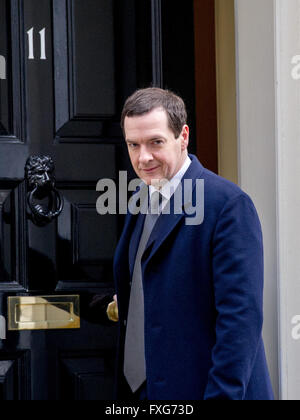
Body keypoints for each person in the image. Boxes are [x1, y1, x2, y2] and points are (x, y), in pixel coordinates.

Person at [110, 87, 274, 400]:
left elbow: (240, 319)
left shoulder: (227, 204)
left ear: (183, 136)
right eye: (133, 144)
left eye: (155, 142)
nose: (143, 157)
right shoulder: (138, 200)